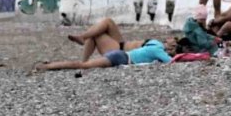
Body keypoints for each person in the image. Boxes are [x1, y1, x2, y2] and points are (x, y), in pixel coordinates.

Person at [36, 38, 176, 71]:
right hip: (121, 57)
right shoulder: (158, 49)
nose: (172, 46)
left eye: (174, 46)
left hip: (121, 54)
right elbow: (171, 62)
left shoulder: (153, 43)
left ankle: (49, 65)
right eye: (172, 44)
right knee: (83, 65)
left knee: (83, 65)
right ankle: (47, 67)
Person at [67, 17, 157, 62]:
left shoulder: (162, 51)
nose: (171, 42)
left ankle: (84, 62)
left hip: (120, 52)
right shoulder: (161, 45)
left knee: (96, 34)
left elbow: (169, 59)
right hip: (122, 43)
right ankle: (83, 37)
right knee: (108, 21)